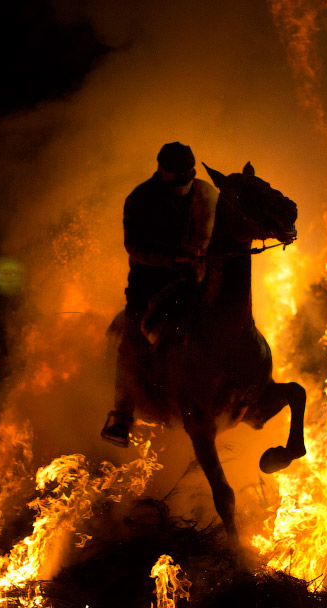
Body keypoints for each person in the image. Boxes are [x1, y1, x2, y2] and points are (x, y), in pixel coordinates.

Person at [101, 143, 218, 445]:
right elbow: (134, 247)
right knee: (133, 336)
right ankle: (122, 416)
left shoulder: (207, 194)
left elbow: (220, 231)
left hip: (197, 278)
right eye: (177, 174)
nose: (183, 179)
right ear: (161, 171)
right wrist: (171, 258)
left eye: (188, 173)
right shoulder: (140, 199)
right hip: (150, 282)